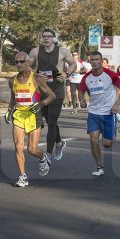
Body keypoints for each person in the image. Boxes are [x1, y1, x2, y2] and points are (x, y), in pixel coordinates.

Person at [6, 51, 56, 187]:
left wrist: (40, 104)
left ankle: (43, 157)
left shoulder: (36, 78)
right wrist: (9, 111)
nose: (19, 64)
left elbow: (52, 96)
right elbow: (13, 98)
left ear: (28, 62)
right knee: (18, 146)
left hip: (34, 115)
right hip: (19, 115)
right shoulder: (12, 80)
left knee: (32, 149)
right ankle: (22, 176)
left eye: (22, 61)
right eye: (16, 62)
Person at [28, 28, 77, 161]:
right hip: (41, 90)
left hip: (57, 89)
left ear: (54, 38)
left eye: (49, 36)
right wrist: (35, 74)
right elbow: (27, 67)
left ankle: (48, 154)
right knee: (50, 121)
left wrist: (66, 74)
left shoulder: (63, 51)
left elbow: (73, 64)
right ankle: (60, 143)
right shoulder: (35, 51)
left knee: (52, 122)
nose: (46, 38)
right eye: (44, 36)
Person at [78, 51, 120, 177]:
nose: (94, 62)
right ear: (90, 61)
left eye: (97, 59)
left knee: (107, 144)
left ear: (101, 60)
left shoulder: (110, 74)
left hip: (108, 113)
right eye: (92, 60)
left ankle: (113, 130)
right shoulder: (87, 77)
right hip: (93, 113)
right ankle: (99, 166)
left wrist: (117, 104)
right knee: (93, 140)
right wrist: (82, 100)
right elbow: (81, 90)